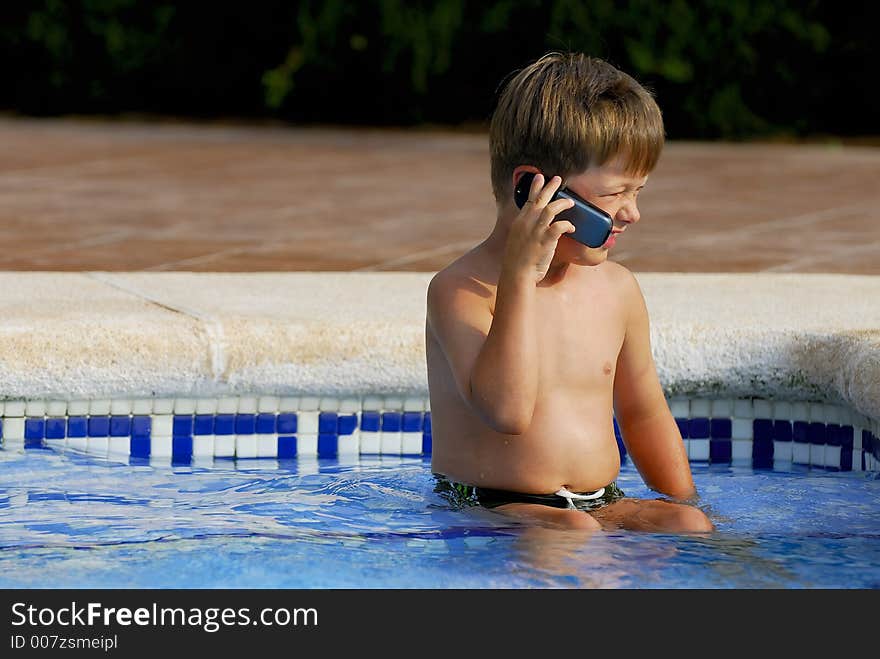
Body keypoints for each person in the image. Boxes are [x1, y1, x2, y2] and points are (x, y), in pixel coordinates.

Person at [425, 52, 714, 533]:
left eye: (637, 192)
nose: (631, 213)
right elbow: (507, 411)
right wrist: (521, 277)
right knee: (575, 534)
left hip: (600, 503)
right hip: (490, 506)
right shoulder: (461, 291)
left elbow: (643, 413)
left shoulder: (616, 290)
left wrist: (688, 501)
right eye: (613, 196)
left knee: (688, 525)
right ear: (530, 188)